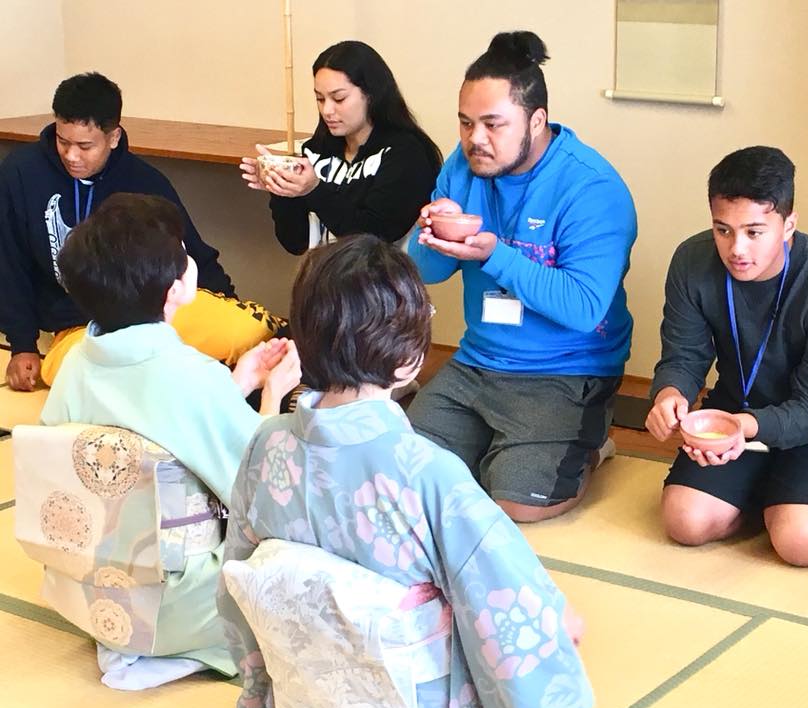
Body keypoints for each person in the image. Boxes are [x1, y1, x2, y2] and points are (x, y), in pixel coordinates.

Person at [217, 235, 592, 708]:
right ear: (408, 359)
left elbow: (238, 587)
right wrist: (552, 622)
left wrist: (256, 699)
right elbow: (504, 602)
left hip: (303, 701)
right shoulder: (429, 473)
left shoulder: (266, 446)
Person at [39, 193, 301, 689]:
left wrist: (236, 385)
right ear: (175, 287)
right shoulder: (191, 375)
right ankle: (195, 649)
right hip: (176, 605)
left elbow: (156, 422)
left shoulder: (75, 362)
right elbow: (260, 488)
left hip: (86, 592)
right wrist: (272, 396)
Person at [405, 31, 636, 523]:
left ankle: (590, 446)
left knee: (517, 503)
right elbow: (427, 272)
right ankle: (501, 446)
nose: (475, 139)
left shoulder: (591, 187)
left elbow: (584, 307)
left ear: (536, 121)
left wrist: (494, 254)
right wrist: (430, 233)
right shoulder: (463, 167)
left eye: (493, 124)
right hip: (478, 361)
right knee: (402, 475)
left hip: (567, 370)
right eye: (466, 123)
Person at [645, 146, 808, 567]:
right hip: (745, 395)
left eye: (754, 232)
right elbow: (683, 355)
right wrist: (670, 394)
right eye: (723, 230)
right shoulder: (691, 261)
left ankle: (795, 491)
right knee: (685, 521)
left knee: (799, 542)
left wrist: (741, 429)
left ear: (788, 224)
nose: (736, 249)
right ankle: (770, 486)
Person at [0, 71, 285, 392]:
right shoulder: (21, 173)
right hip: (81, 326)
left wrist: (226, 307)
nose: (71, 155)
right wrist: (22, 344)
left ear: (114, 137)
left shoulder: (144, 182)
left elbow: (192, 253)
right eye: (62, 141)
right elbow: (9, 263)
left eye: (84, 146)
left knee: (249, 333)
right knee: (71, 378)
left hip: (156, 313)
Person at [240, 40, 442, 252]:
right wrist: (282, 189)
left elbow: (374, 236)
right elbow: (296, 242)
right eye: (320, 99)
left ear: (371, 95)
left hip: (380, 273)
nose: (327, 110)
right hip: (323, 271)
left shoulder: (406, 154)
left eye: (339, 98)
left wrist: (315, 189)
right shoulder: (317, 150)